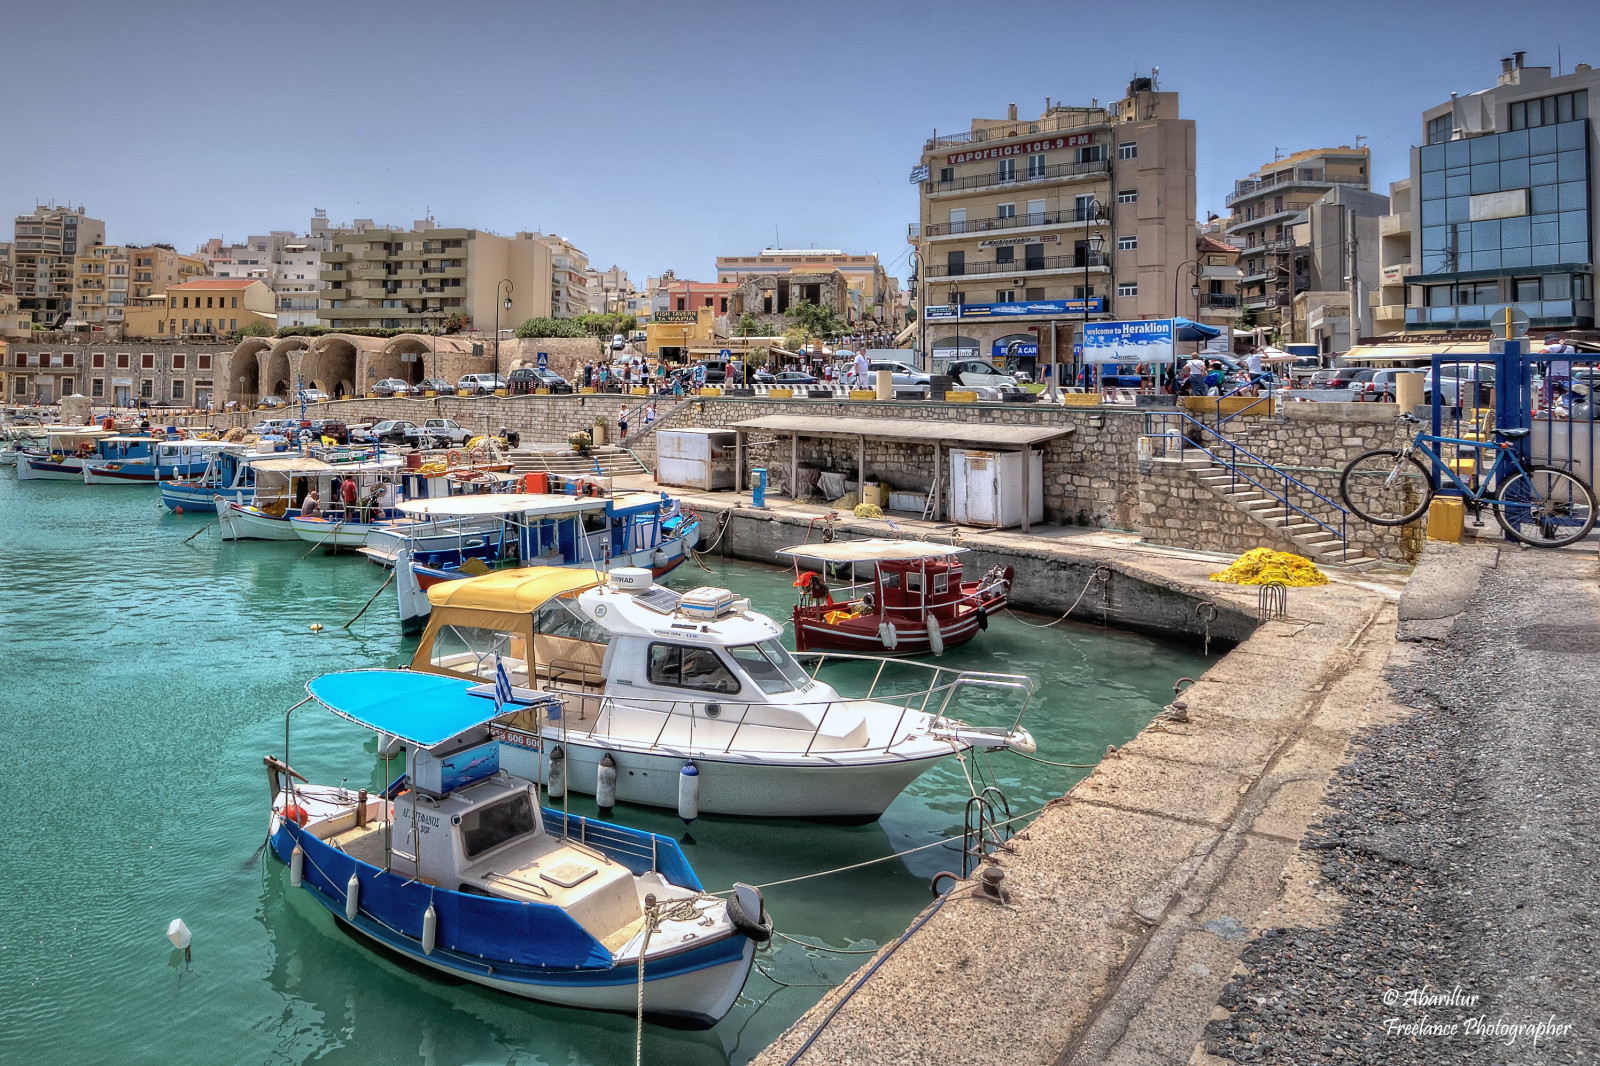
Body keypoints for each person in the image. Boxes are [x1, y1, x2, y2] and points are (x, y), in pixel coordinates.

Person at [1542, 333, 1574, 405]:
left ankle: (1548, 409)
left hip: (1552, 375)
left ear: (1550, 341)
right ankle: (1564, 412)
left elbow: (1541, 353)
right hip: (1566, 376)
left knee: (1548, 397)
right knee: (1565, 398)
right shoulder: (1570, 348)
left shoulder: (1551, 347)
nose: (1547, 345)